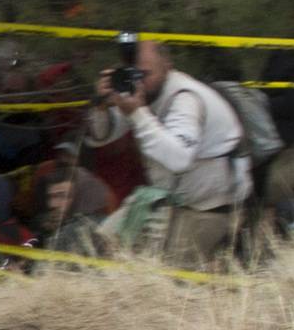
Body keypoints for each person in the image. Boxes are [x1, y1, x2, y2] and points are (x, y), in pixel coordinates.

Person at [84, 39, 250, 266]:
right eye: (135, 74)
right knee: (101, 247)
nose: (140, 82)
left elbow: (178, 159)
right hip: (166, 200)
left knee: (169, 274)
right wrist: (101, 107)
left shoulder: (186, 98)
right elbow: (100, 137)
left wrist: (137, 113)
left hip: (208, 208)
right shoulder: (143, 93)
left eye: (146, 74)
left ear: (167, 64)